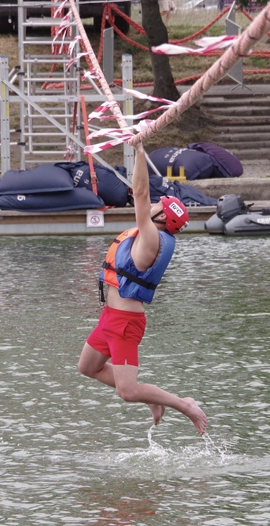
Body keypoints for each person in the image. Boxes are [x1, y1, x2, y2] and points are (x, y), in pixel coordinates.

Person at [77, 142, 207, 436]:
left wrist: (137, 151)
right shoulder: (151, 230)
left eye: (159, 206)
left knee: (127, 391)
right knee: (88, 367)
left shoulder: (151, 238)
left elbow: (140, 192)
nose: (154, 204)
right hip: (111, 316)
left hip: (125, 323)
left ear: (162, 218)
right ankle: (151, 397)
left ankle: (184, 405)